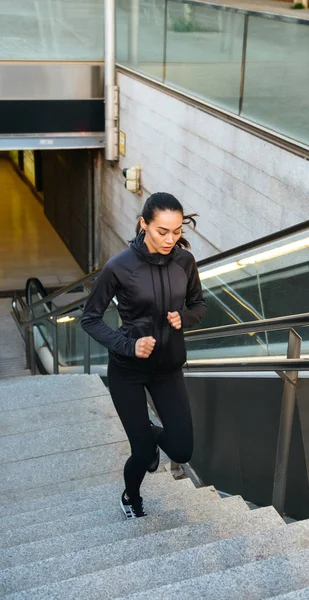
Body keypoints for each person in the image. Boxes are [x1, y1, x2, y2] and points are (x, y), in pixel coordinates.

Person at [81, 192, 207, 519]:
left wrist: (186, 318)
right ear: (144, 224)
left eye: (177, 231)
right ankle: (131, 495)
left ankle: (146, 431)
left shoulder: (185, 262)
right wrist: (128, 346)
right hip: (128, 370)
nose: (170, 239)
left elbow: (199, 304)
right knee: (142, 453)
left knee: (181, 449)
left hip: (167, 369)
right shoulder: (119, 267)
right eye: (162, 231)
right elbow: (90, 318)